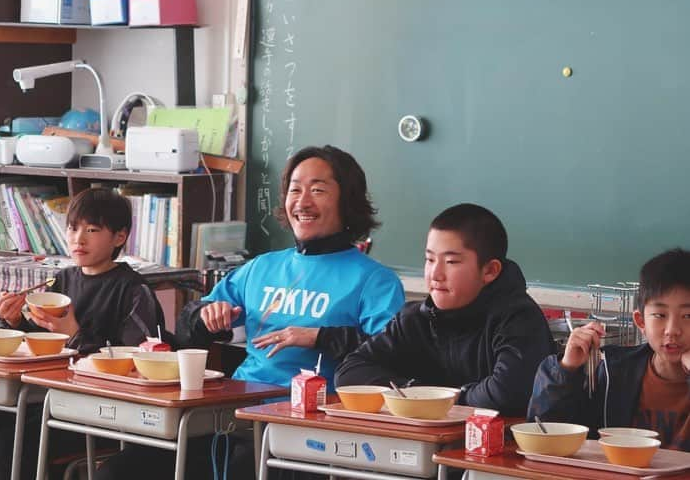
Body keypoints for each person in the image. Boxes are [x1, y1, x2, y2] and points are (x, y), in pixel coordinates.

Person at [95, 144, 405, 479]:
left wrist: (318, 336)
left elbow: (390, 355)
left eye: (318, 190)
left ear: (348, 200)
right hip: (234, 413)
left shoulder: (374, 280)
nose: (302, 201)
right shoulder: (262, 267)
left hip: (310, 428)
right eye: (294, 189)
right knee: (122, 468)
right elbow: (190, 325)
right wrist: (207, 316)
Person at [0, 187, 166, 479]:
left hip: (105, 411)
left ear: (119, 236)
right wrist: (14, 323)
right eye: (73, 228)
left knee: (4, 451)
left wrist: (75, 333)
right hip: (52, 398)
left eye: (92, 229)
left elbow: (139, 364)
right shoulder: (63, 280)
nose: (79, 239)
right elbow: (41, 342)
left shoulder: (133, 290)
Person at [336, 203, 554, 416]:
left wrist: (443, 399)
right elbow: (350, 372)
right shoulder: (414, 318)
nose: (435, 274)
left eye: (451, 262)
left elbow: (508, 393)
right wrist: (418, 393)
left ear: (490, 270)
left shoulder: (518, 318)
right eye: (429, 259)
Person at [528, 248, 690, 450]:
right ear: (641, 321)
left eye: (688, 316)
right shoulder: (613, 372)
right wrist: (566, 370)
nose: (672, 330)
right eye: (659, 315)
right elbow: (546, 433)